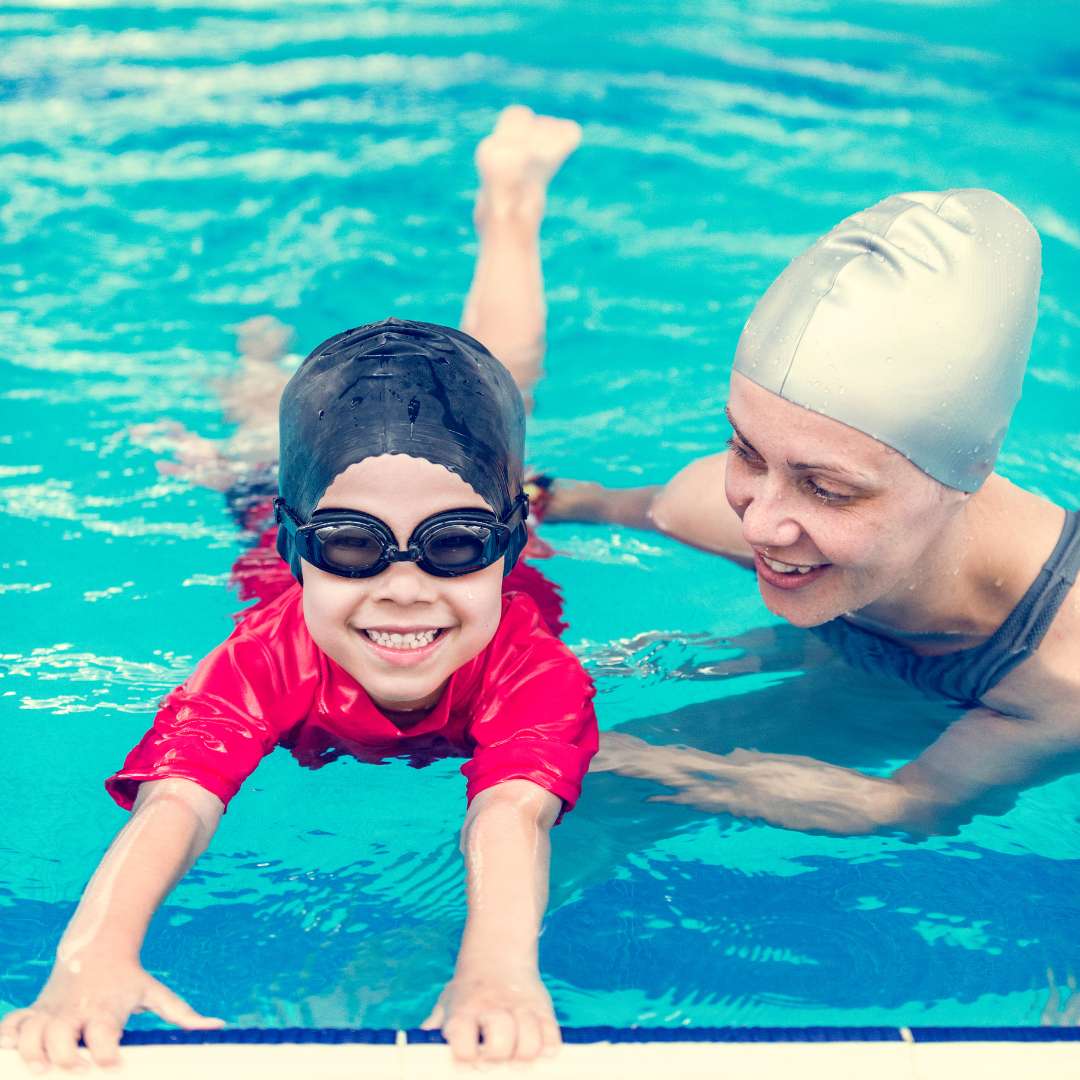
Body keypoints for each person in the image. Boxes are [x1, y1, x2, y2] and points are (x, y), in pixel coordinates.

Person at [0, 111, 597, 1071]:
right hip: (276, 518)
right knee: (243, 448)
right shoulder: (275, 646)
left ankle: (512, 204)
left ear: (507, 542)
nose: (404, 590)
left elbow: (511, 810)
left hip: (471, 519)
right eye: (354, 547)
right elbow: (179, 800)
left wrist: (497, 966)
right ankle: (256, 364)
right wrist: (92, 953)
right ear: (299, 542)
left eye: (453, 546)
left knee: (504, 393)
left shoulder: (535, 667)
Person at [553, 188, 1080, 836]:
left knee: (591, 778)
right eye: (746, 451)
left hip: (973, 688)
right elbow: (579, 502)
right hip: (845, 646)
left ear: (969, 474)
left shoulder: (1063, 675)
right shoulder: (712, 507)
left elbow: (908, 804)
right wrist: (532, 505)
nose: (757, 527)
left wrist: (634, 762)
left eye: (827, 488)